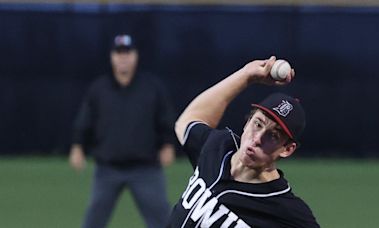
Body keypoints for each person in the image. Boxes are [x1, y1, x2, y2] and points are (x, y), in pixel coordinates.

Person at [167, 56, 319, 227]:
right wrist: (246, 75)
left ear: (286, 149)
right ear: (247, 122)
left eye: (273, 135)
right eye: (258, 124)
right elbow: (187, 121)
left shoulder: (287, 211)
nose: (257, 138)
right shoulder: (219, 147)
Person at [69, 34, 175, 228]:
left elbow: (166, 119)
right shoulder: (99, 89)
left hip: (146, 168)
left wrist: (168, 144)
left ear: (136, 56)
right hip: (108, 168)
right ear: (112, 57)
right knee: (93, 221)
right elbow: (85, 120)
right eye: (119, 53)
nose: (123, 58)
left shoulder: (152, 87)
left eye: (128, 53)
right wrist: (78, 146)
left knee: (163, 221)